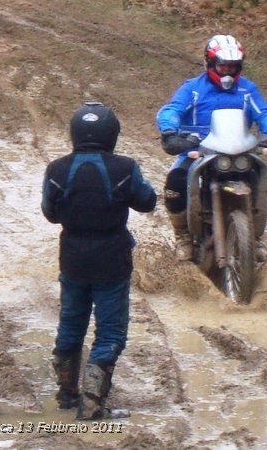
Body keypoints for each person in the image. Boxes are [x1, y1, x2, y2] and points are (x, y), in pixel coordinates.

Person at [41, 102, 157, 419]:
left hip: (73, 257)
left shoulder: (56, 169)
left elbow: (50, 214)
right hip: (112, 258)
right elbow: (147, 202)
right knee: (110, 333)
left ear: (75, 133)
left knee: (71, 324)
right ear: (111, 134)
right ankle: (92, 405)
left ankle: (66, 396)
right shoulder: (125, 167)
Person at [156, 34, 267, 261]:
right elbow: (172, 110)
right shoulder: (193, 89)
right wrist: (169, 131)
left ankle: (254, 238)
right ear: (210, 63)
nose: (227, 71)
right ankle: (183, 236)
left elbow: (264, 113)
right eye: (223, 65)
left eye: (233, 66)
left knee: (263, 179)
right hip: (198, 151)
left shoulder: (247, 89)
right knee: (176, 180)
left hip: (239, 152)